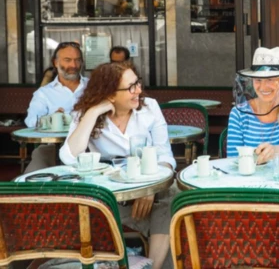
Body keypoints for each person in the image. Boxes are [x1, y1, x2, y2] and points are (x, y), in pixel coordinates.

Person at [58, 61, 175, 269]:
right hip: (106, 201)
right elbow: (69, 156)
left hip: (146, 199)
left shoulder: (150, 108)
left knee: (171, 196)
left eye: (138, 83)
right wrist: (94, 112)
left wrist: (150, 188)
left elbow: (165, 155)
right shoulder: (86, 113)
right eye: (131, 87)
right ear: (110, 93)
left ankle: (153, 266)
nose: (138, 90)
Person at [24, 42, 88, 173]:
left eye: (77, 60)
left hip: (89, 146)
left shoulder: (94, 87)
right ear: (55, 62)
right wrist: (51, 118)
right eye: (67, 60)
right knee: (31, 176)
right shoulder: (44, 93)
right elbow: (30, 121)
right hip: (52, 148)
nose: (73, 65)